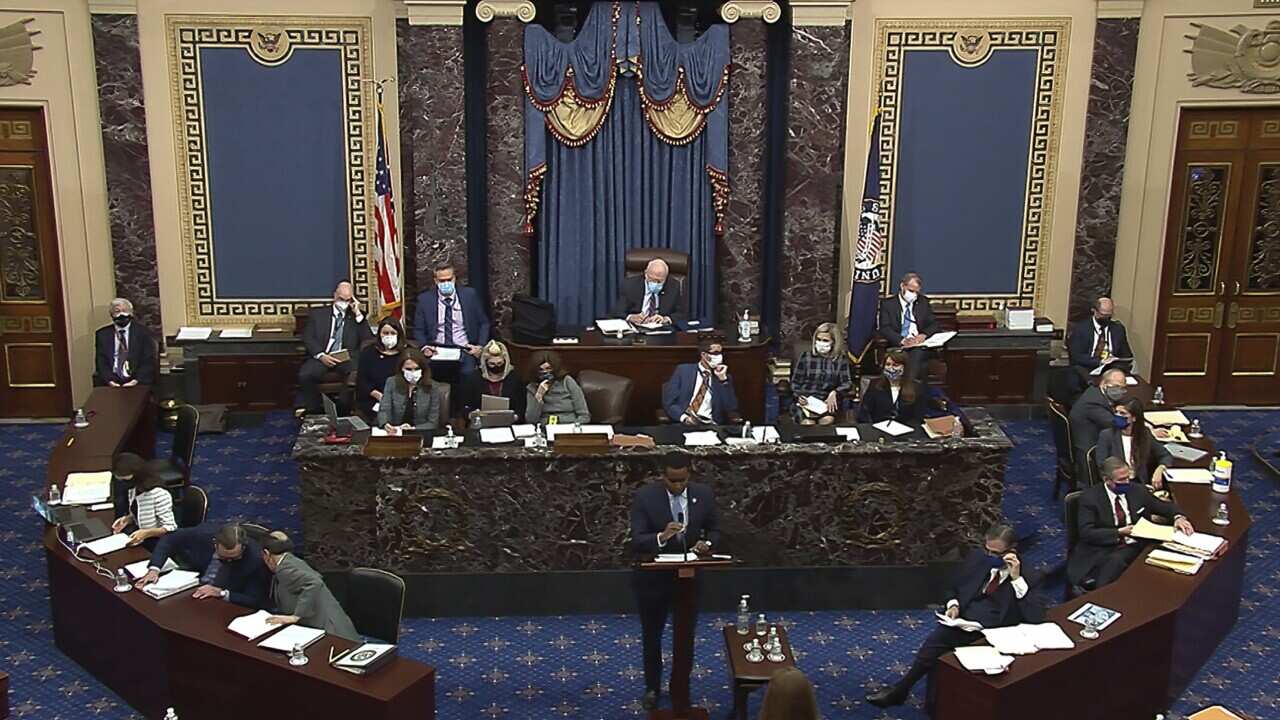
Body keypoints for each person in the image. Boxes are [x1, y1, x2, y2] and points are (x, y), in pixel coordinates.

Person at [866, 525, 1043, 714]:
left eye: (996, 554)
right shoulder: (978, 558)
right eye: (987, 550)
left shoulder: (1030, 576)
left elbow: (1035, 616)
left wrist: (1016, 580)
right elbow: (953, 586)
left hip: (993, 631)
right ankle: (902, 690)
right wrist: (953, 604)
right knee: (935, 642)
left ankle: (902, 692)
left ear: (1012, 551)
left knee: (940, 643)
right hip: (963, 621)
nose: (990, 557)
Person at [629, 454, 720, 710]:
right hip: (653, 579)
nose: (678, 486)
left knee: (685, 637)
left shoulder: (703, 494)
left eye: (682, 480)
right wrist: (661, 536)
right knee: (652, 636)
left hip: (688, 577)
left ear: (689, 475)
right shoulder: (646, 497)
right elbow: (637, 538)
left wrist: (708, 544)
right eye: (672, 481)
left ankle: (680, 688)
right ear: (663, 476)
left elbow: (715, 529)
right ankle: (652, 688)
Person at [1069, 458, 1194, 589]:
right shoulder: (1090, 498)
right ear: (1106, 480)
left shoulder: (1138, 491)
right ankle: (1101, 599)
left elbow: (1163, 506)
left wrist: (1178, 517)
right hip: (1104, 547)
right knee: (1115, 564)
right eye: (1121, 480)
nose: (1127, 482)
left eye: (1128, 477)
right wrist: (1119, 532)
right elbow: (1087, 533)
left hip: (1137, 544)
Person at [134, 523, 270, 609]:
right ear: (215, 544)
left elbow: (255, 599)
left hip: (221, 605)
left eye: (234, 558)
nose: (228, 561)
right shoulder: (204, 534)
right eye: (223, 557)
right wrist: (154, 569)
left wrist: (222, 593)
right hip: (191, 586)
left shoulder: (255, 560)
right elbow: (170, 538)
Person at [262, 532, 360, 641]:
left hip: (331, 629)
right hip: (324, 624)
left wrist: (296, 616)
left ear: (266, 554)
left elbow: (315, 582)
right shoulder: (288, 561)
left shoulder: (285, 569)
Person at [296, 281, 372, 415]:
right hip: (323, 355)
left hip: (346, 357)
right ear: (335, 296)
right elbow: (308, 337)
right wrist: (321, 355)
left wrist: (358, 315)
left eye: (348, 300)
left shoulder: (356, 316)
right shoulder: (318, 314)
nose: (344, 303)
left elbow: (368, 339)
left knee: (355, 374)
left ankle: (342, 409)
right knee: (305, 375)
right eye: (341, 299)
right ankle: (314, 410)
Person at [412, 260, 491, 379]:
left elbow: (484, 323)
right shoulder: (424, 300)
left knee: (468, 377)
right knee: (430, 380)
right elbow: (418, 329)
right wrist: (424, 347)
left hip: (465, 349)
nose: (446, 283)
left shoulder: (470, 295)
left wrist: (480, 346)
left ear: (454, 278)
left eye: (449, 279)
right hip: (436, 350)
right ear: (435, 281)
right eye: (442, 281)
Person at [1068, 367, 1129, 486]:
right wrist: (1148, 429)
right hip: (1089, 449)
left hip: (1090, 438)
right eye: (1116, 387)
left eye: (1122, 388)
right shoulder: (1093, 403)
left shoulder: (1095, 392)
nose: (1119, 391)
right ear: (1103, 384)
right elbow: (1116, 424)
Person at [1096, 397, 1173, 489]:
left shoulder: (1145, 434)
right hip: (1117, 484)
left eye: (1122, 413)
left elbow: (1165, 455)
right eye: (1116, 412)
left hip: (1140, 483)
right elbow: (1102, 465)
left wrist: (1160, 469)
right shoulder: (1107, 435)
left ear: (1134, 418)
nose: (1118, 415)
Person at [662, 337, 739, 425]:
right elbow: (669, 402)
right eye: (715, 353)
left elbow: (731, 407)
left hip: (712, 425)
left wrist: (723, 380)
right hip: (685, 422)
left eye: (720, 353)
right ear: (703, 355)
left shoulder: (724, 377)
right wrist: (685, 418)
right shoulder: (683, 371)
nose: (719, 357)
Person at [790, 322, 853, 425]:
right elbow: (795, 382)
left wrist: (835, 392)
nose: (821, 343)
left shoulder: (840, 359)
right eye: (818, 339)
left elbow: (847, 383)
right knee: (808, 423)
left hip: (826, 402)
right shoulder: (806, 357)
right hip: (806, 401)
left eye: (825, 340)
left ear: (833, 342)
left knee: (826, 421)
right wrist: (800, 396)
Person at [877, 272, 938, 378]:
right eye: (911, 291)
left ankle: (909, 386)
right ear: (902, 286)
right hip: (899, 344)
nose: (914, 295)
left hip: (919, 345)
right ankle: (910, 388)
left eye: (916, 292)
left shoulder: (923, 302)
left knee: (917, 353)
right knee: (911, 355)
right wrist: (903, 340)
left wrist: (923, 335)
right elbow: (885, 328)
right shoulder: (888, 304)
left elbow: (933, 324)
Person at [110, 459, 176, 549]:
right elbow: (140, 512)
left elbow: (170, 527)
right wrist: (128, 519)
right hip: (139, 536)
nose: (123, 484)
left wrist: (147, 533)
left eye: (125, 480)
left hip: (156, 542)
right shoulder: (133, 489)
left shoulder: (159, 494)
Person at [376, 350, 446, 432]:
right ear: (401, 369)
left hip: (421, 433)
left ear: (423, 369)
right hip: (395, 432)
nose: (413, 372)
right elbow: (384, 409)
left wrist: (412, 429)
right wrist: (386, 424)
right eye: (408, 369)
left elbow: (433, 422)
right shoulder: (391, 382)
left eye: (417, 369)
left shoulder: (433, 387)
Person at [94, 297, 157, 387]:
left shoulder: (143, 333)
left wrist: (135, 381)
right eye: (117, 311)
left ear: (131, 313)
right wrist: (110, 381)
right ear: (111, 315)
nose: (121, 314)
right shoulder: (102, 335)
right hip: (111, 381)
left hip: (137, 380)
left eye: (124, 310)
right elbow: (101, 363)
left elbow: (148, 362)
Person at [458, 339, 527, 421]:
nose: (496, 367)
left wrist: (514, 417)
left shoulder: (515, 379)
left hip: (508, 423)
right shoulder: (473, 379)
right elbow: (465, 406)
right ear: (485, 362)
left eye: (499, 363)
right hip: (480, 423)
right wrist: (472, 415)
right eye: (492, 364)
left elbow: (521, 406)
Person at [857, 349, 930, 425]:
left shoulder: (916, 388)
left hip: (906, 432)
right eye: (888, 364)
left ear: (905, 367)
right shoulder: (874, 385)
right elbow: (864, 414)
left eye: (895, 365)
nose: (891, 368)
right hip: (878, 431)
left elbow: (918, 418)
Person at [356, 316, 406, 419]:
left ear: (399, 335)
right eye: (385, 333)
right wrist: (378, 396)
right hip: (373, 399)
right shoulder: (368, 352)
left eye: (393, 333)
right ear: (379, 334)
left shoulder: (407, 353)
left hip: (401, 400)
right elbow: (362, 381)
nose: (389, 336)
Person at [612, 257, 686, 326]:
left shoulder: (673, 286)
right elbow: (617, 312)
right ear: (646, 274)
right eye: (652, 280)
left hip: (661, 329)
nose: (655, 284)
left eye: (659, 281)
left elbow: (681, 313)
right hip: (636, 329)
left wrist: (665, 319)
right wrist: (631, 317)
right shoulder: (630, 285)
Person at [524, 350, 590, 425]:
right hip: (545, 427)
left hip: (569, 425)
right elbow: (531, 420)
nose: (545, 372)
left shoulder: (567, 381)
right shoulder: (532, 387)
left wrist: (573, 427)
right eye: (541, 370)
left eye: (548, 368)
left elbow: (584, 415)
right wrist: (539, 396)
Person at [1068, 297, 1133, 372]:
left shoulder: (1118, 329)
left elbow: (1127, 355)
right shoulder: (1081, 329)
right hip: (1087, 368)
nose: (1106, 318)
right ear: (1095, 311)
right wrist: (1100, 361)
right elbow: (1076, 357)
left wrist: (1117, 360)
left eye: (1109, 315)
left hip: (1112, 370)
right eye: (1103, 315)